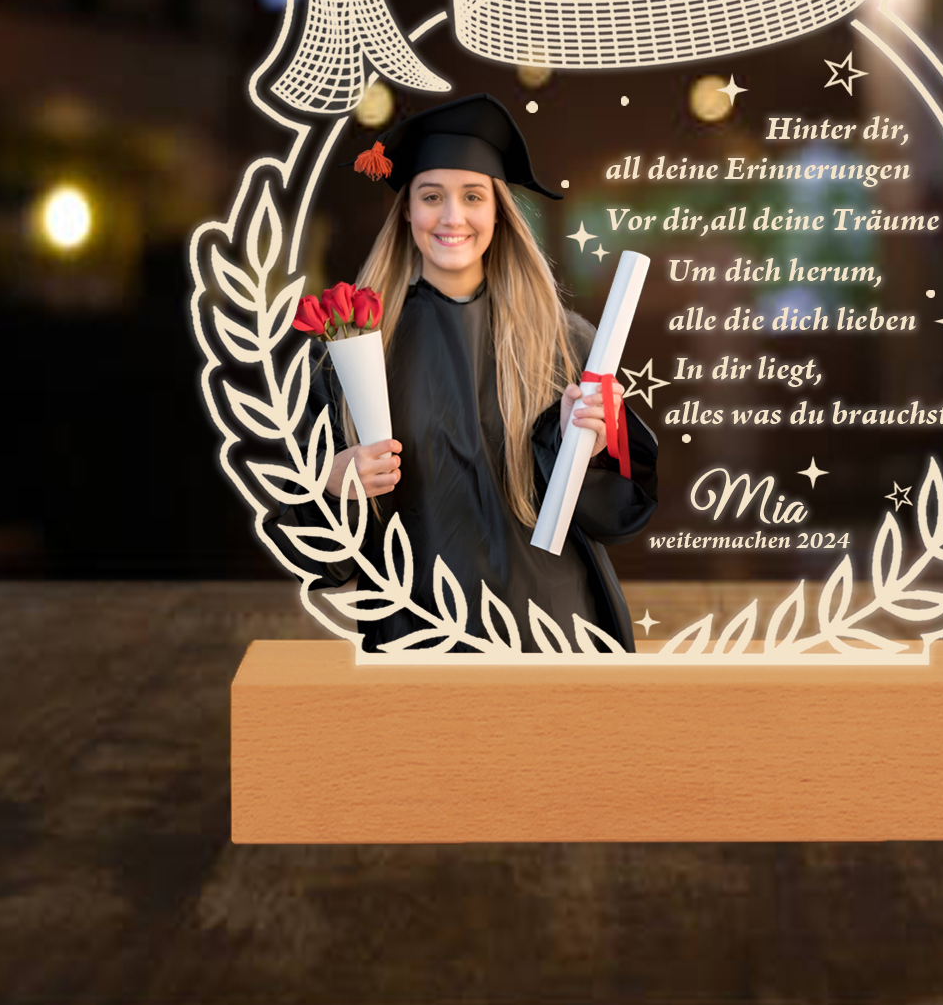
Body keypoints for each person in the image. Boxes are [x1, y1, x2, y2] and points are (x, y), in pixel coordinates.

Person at [270, 93, 658, 653]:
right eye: (432, 196)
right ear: (407, 210)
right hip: (416, 634)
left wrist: (590, 448)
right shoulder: (350, 348)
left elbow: (616, 515)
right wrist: (330, 485)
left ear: (499, 211)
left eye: (473, 196)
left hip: (553, 630)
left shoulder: (564, 341)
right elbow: (314, 558)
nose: (452, 217)